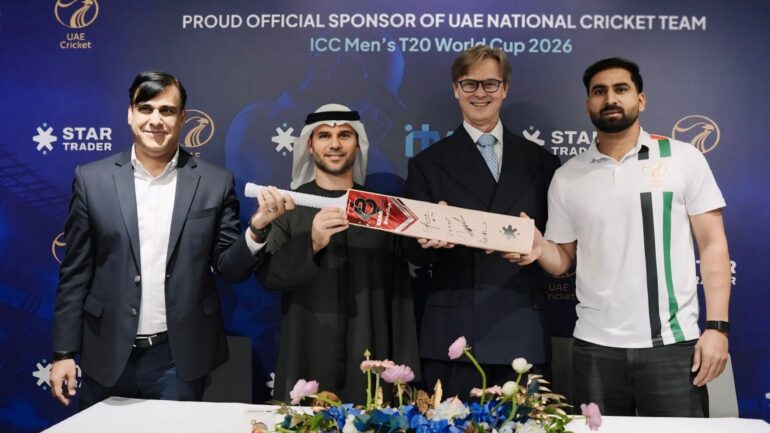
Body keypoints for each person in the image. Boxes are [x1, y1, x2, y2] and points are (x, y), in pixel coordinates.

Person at [49, 71, 292, 409]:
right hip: (105, 351)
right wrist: (63, 352)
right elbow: (75, 273)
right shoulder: (92, 179)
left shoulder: (215, 182)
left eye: (166, 110)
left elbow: (229, 268)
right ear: (130, 114)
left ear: (182, 118)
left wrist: (257, 228)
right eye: (145, 108)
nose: (155, 120)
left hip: (178, 359)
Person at [512, 57, 731, 416]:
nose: (610, 98)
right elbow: (562, 261)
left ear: (640, 100)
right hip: (595, 348)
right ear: (588, 105)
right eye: (599, 91)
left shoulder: (682, 158)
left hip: (672, 347)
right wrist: (538, 247)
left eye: (621, 89)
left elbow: (713, 245)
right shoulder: (568, 176)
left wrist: (717, 328)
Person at [404, 45, 561, 397]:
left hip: (521, 331)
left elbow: (558, 247)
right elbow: (411, 251)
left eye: (490, 84)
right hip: (453, 337)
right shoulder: (427, 164)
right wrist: (428, 244)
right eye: (469, 84)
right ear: (455, 89)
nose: (480, 93)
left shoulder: (542, 163)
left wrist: (537, 249)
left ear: (505, 88)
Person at [257, 103, 420, 404]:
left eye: (344, 135)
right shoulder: (289, 206)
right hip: (307, 355)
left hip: (371, 357)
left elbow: (402, 289)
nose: (335, 144)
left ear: (357, 144)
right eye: (324, 136)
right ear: (310, 144)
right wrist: (312, 243)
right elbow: (269, 275)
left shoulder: (382, 210)